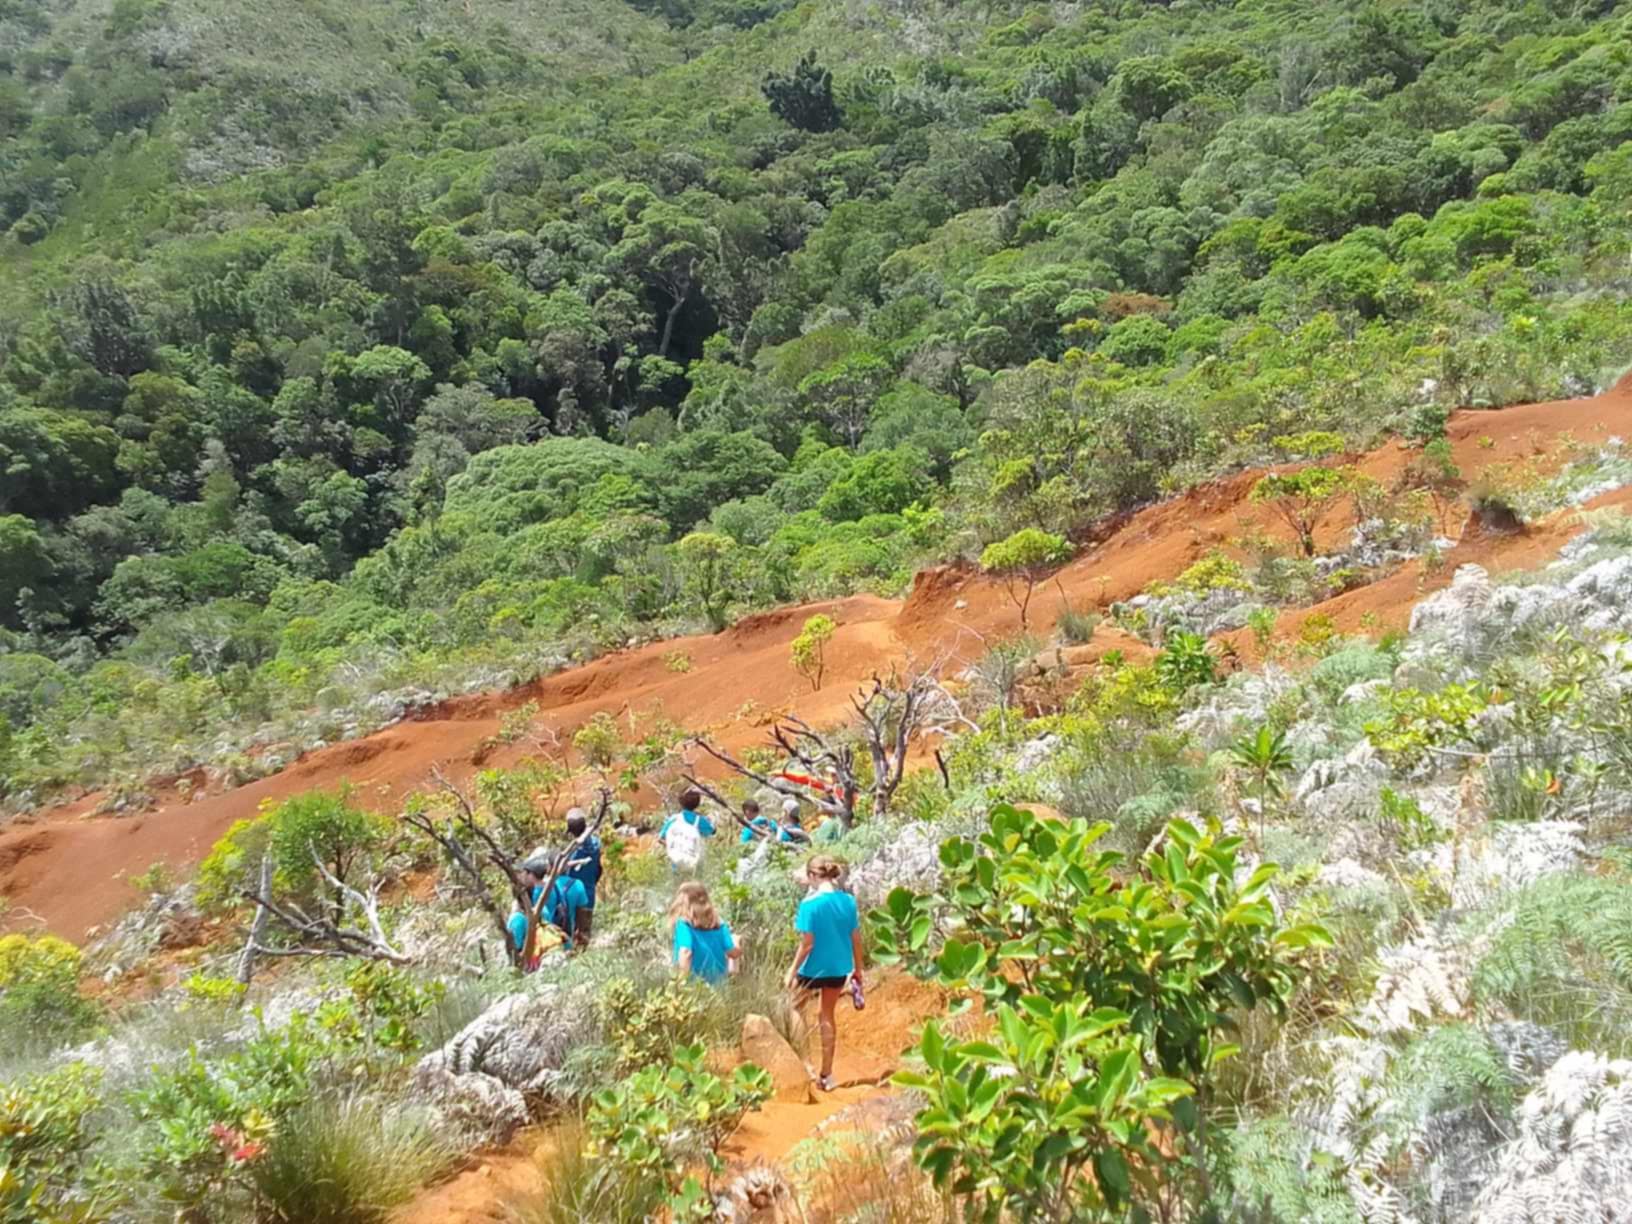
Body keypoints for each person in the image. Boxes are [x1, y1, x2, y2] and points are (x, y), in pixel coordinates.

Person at [786, 856, 864, 1092]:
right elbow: (856, 938)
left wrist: (792, 969)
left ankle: (807, 1064)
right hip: (838, 967)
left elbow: (807, 943)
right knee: (827, 1014)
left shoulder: (809, 905)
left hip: (812, 967)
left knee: (795, 1006)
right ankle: (827, 1074)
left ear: (813, 876)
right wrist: (858, 969)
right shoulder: (848, 901)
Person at [506, 856, 590, 968]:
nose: (523, 875)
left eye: (525, 872)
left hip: (532, 963)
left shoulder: (518, 919)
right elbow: (583, 912)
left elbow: (513, 951)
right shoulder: (545, 906)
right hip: (552, 948)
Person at [669, 881, 740, 984]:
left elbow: (686, 952)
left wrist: (682, 983)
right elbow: (733, 953)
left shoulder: (684, 925)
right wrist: (736, 941)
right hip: (719, 987)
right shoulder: (720, 925)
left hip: (695, 988)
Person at [563, 807, 603, 942]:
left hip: (572, 897)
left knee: (570, 931)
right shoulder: (596, 844)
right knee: (585, 931)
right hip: (589, 895)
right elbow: (599, 869)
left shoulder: (572, 853)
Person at [659, 788, 716, 871]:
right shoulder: (700, 820)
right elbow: (713, 831)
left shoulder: (673, 819)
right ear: (697, 803)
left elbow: (660, 838)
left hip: (676, 865)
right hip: (695, 867)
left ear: (680, 802)